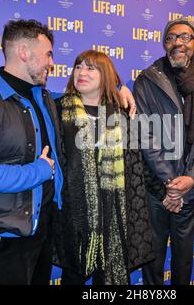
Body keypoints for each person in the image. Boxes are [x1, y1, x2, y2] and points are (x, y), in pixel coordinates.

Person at [0, 20, 136, 285]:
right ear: (25, 52)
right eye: (48, 54)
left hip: (41, 227)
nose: (52, 62)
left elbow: (88, 94)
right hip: (2, 234)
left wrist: (119, 87)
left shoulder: (43, 97)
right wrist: (38, 171)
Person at [52, 50, 155, 285]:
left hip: (113, 217)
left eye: (91, 68)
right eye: (78, 66)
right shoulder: (58, 110)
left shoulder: (121, 115)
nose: (82, 72)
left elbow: (135, 169)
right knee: (73, 278)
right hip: (74, 217)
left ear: (105, 76)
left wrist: (122, 87)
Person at [133, 18, 194, 285]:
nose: (177, 43)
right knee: (153, 257)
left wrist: (191, 179)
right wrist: (171, 183)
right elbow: (144, 134)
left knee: (183, 257)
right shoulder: (147, 80)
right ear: (164, 44)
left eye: (184, 37)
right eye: (171, 38)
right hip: (157, 187)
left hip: (190, 187)